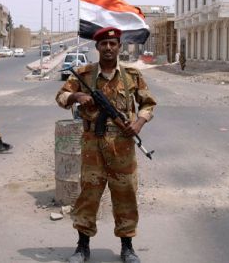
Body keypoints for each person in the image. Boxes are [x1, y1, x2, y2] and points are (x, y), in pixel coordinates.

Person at [55, 27, 157, 263]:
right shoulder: (84, 74)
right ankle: (82, 247)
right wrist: (76, 97)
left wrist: (138, 124)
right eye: (104, 44)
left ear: (119, 47)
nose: (109, 48)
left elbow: (148, 104)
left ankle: (127, 246)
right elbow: (60, 97)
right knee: (89, 196)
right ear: (97, 47)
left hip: (123, 146)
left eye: (113, 44)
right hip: (93, 146)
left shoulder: (132, 75)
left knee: (126, 195)